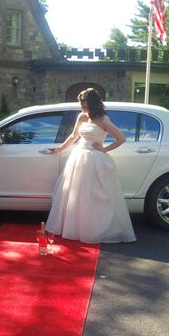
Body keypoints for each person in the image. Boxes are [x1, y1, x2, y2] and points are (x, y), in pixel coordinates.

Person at [46, 88, 136, 243]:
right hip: (78, 158)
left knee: (94, 197)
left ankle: (92, 230)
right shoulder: (81, 116)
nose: (80, 106)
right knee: (76, 195)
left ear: (91, 103)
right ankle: (76, 228)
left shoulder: (103, 120)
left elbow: (121, 138)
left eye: (83, 103)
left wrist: (104, 149)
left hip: (95, 160)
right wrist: (60, 149)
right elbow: (74, 136)